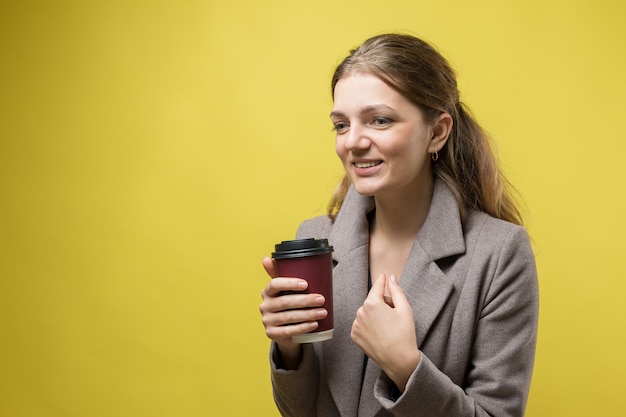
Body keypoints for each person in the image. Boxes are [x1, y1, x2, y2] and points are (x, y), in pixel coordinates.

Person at [259, 33, 539, 417]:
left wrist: (407, 368)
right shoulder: (315, 239)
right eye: (341, 125)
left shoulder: (498, 253)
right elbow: (301, 411)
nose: (353, 142)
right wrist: (289, 348)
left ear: (437, 132)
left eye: (379, 120)